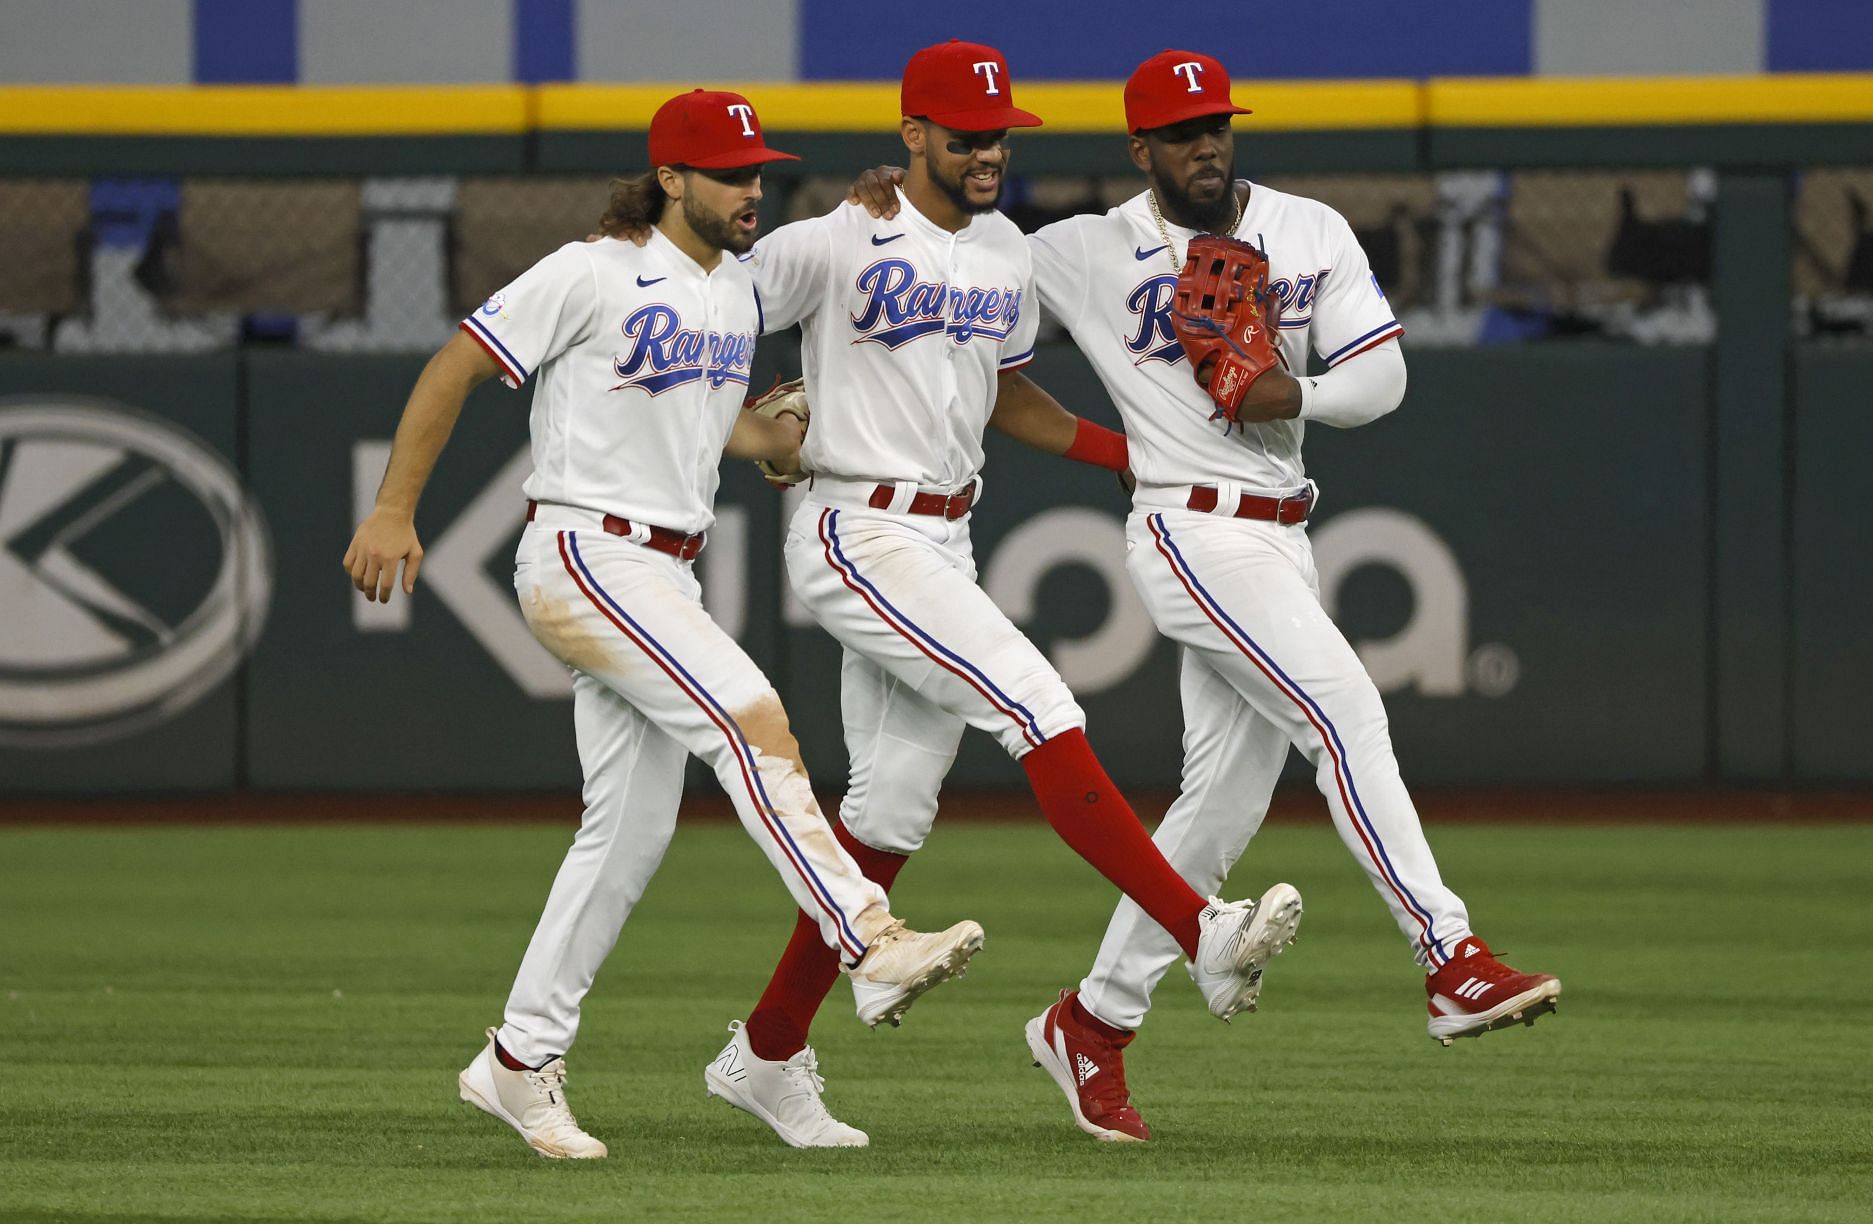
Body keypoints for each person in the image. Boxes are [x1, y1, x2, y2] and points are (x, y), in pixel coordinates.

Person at [848, 48, 1563, 1143]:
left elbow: (1383, 374)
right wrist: (871, 230)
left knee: (1220, 806)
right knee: (1343, 710)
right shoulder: (1084, 251)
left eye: (1216, 124)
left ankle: (1091, 1024)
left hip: (1286, 530)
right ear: (1141, 149)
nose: (1205, 144)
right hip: (1187, 525)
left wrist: (1299, 389)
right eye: (1180, 133)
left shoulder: (1308, 228)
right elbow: (944, 300)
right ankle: (1447, 957)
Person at [341, 88, 986, 1161]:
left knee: (627, 834)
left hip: (663, 567)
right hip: (586, 552)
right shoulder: (590, 269)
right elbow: (457, 362)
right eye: (729, 174)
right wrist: (396, 506)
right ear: (671, 178)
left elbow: (709, 423)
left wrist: (771, 437)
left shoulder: (735, 292)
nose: (751, 191)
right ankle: (867, 935)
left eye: (757, 173)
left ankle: (516, 1061)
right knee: (751, 721)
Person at [699, 40, 1303, 1150]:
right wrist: (741, 430)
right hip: (855, 527)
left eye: (1000, 133)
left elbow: (1006, 397)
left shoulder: (1005, 256)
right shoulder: (833, 241)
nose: (989, 150)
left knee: (889, 814)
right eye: (967, 134)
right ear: (912, 136)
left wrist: (1131, 453)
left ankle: (769, 1051)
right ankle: (1197, 926)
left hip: (947, 532)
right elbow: (697, 307)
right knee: (1037, 702)